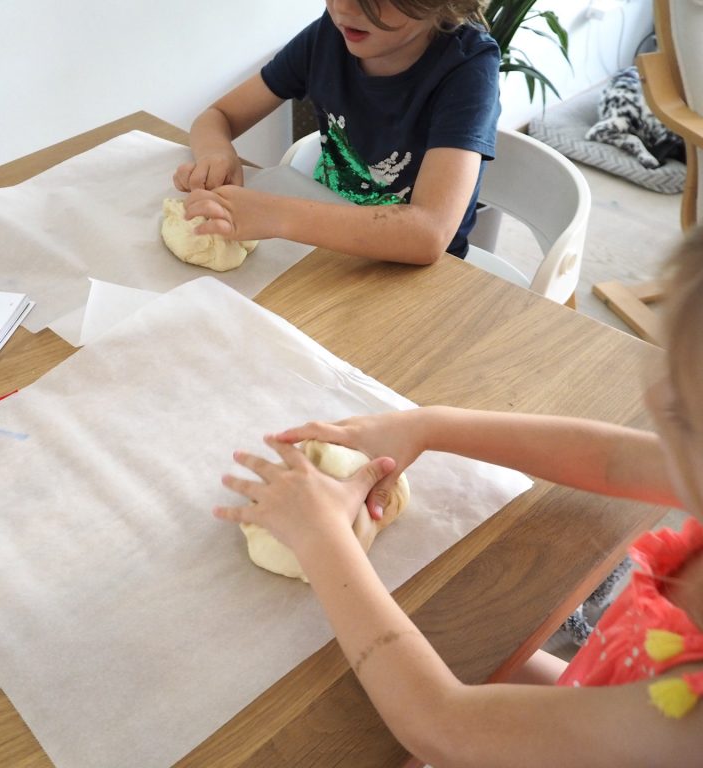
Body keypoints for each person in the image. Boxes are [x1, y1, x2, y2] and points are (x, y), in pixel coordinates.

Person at [213, 225, 703, 765]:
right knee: (446, 637)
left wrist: (324, 541)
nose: (656, 399)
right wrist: (429, 426)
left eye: (683, 409)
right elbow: (613, 460)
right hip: (596, 702)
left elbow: (443, 729)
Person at [173, 0, 501, 264]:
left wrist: (275, 214)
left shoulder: (468, 67)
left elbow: (428, 233)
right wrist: (216, 153)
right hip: (325, 248)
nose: (343, 8)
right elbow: (218, 116)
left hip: (419, 275)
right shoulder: (327, 37)